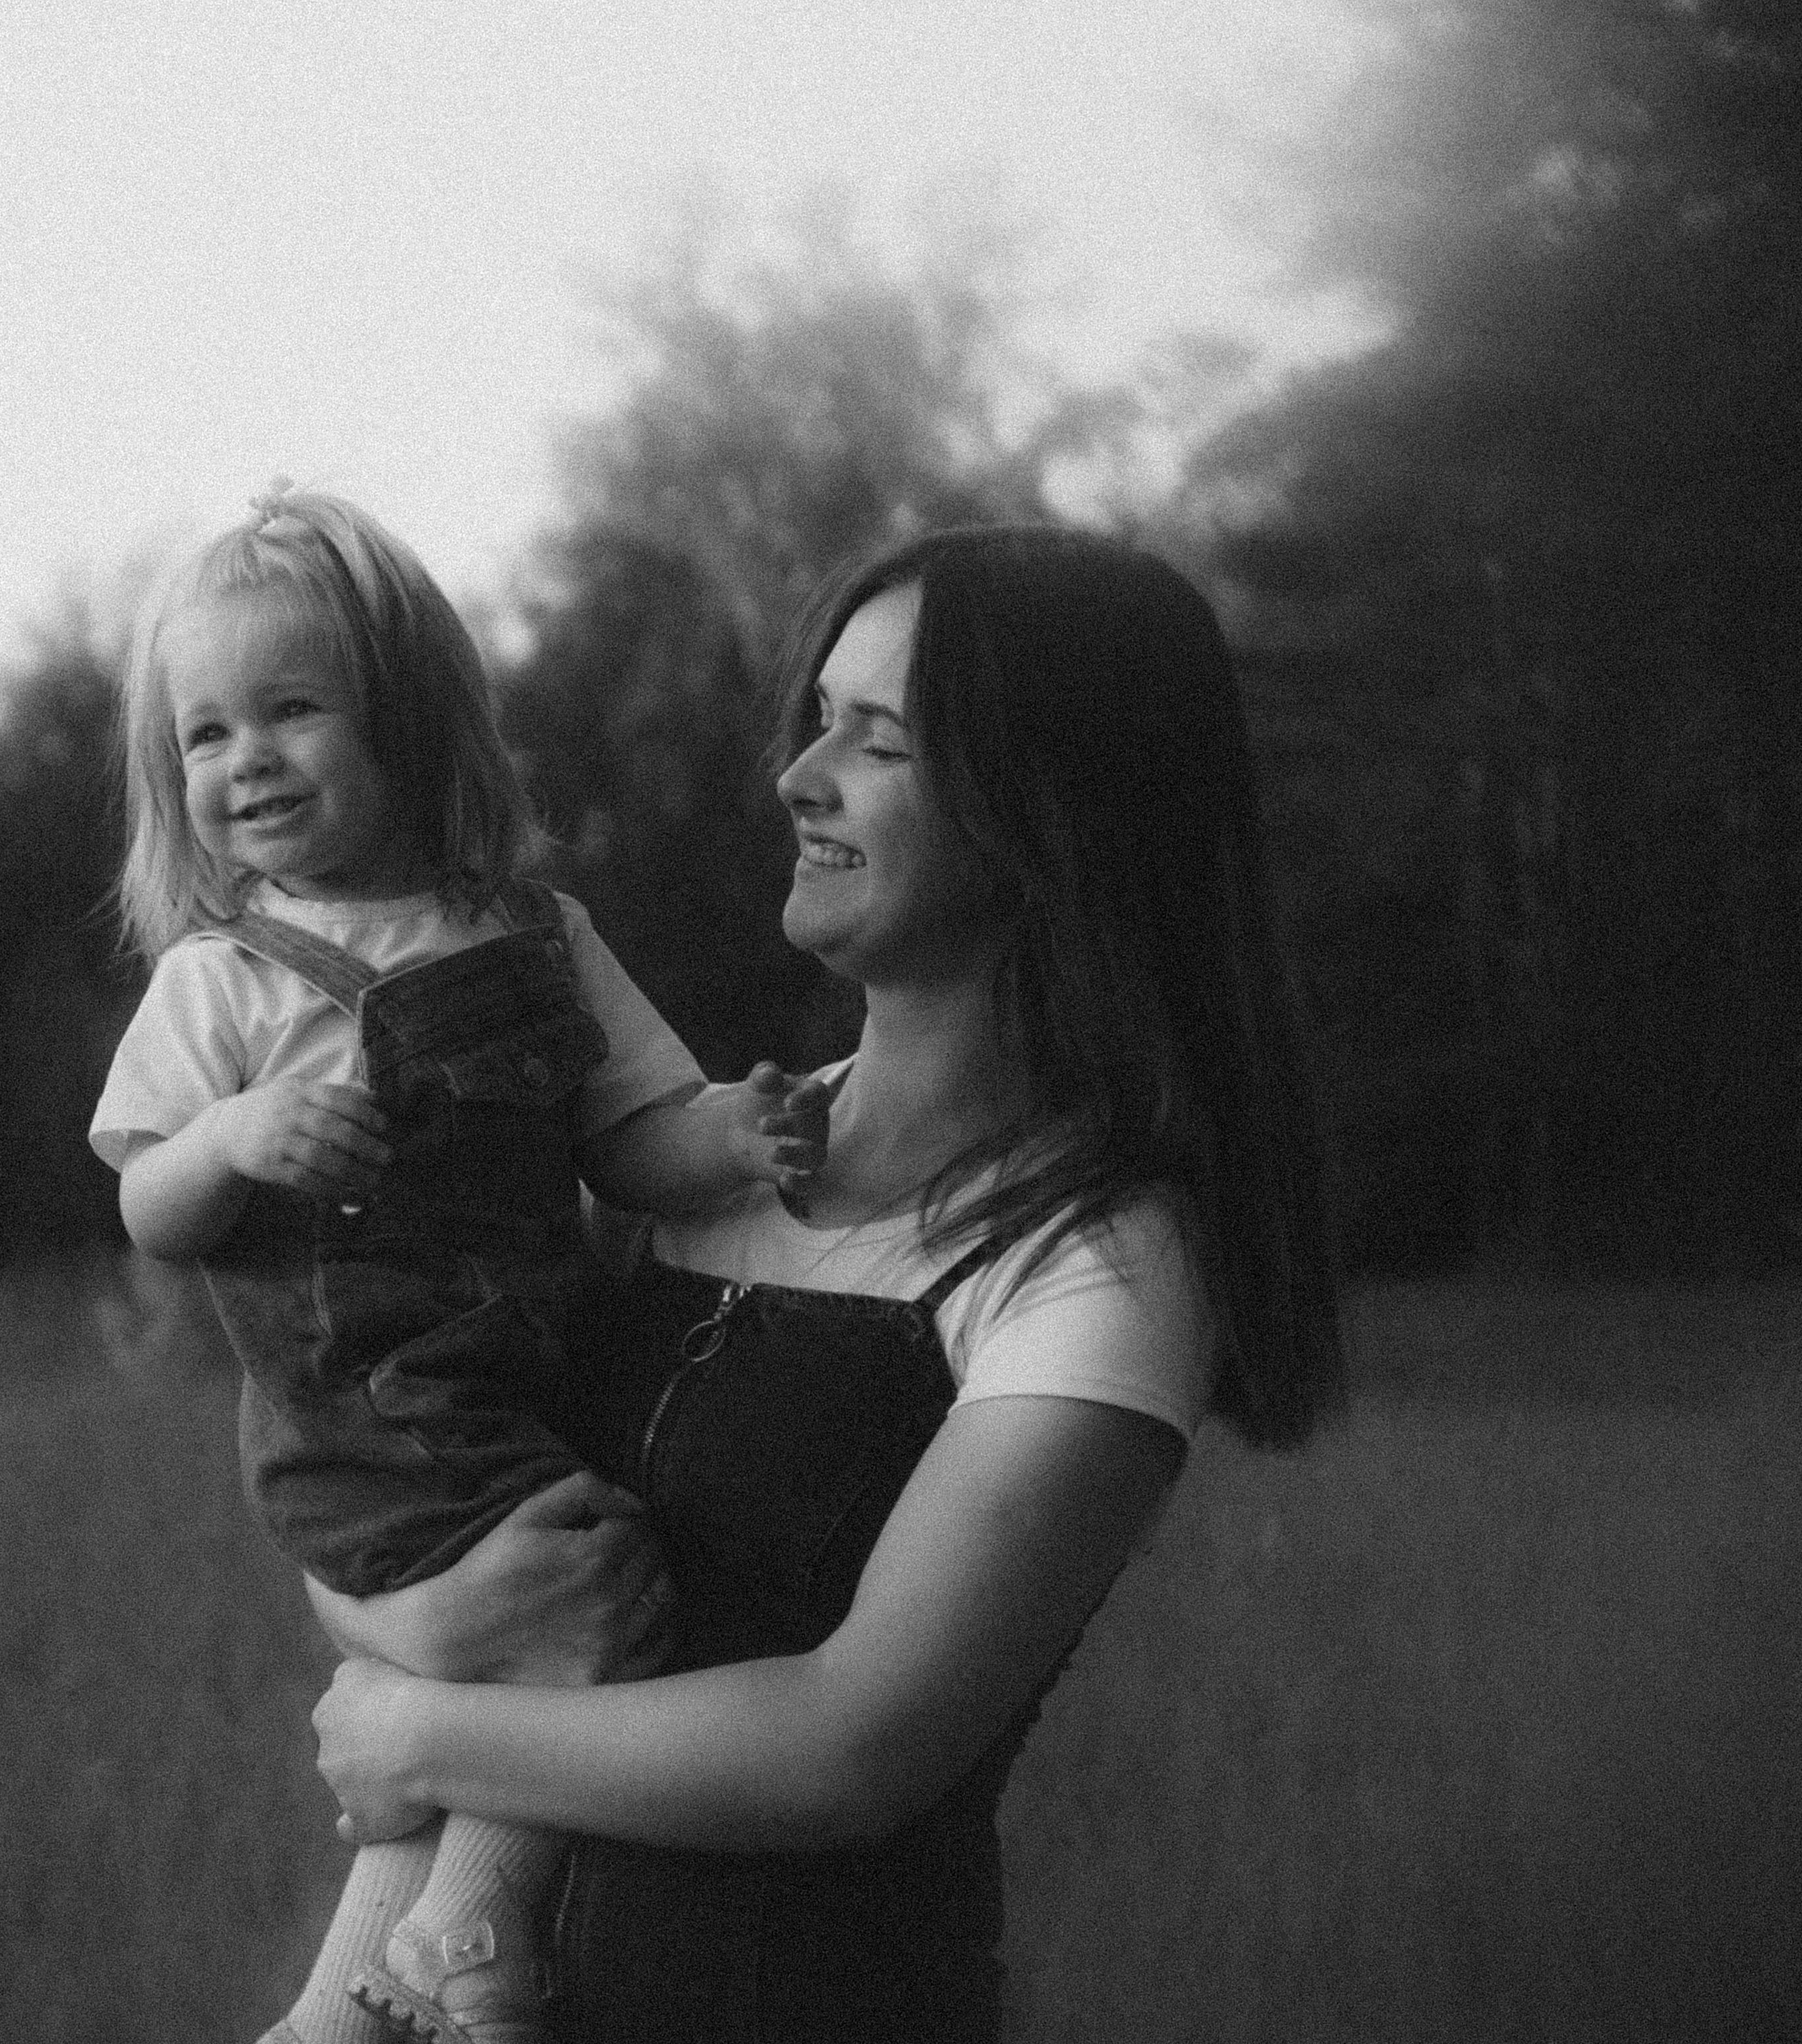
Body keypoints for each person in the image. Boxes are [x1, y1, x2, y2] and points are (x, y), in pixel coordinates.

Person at [303, 524, 1346, 2041]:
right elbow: (396, 1470)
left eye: (883, 743)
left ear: (1058, 815)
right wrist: (385, 1630)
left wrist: (420, 1730)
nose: (801, 777)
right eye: (818, 723)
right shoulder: (685, 1160)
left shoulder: (1097, 1261)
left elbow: (853, 1747)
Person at [90, 484, 829, 2044]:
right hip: (367, 1421)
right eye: (206, 736)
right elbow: (148, 1201)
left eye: (292, 712)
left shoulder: (539, 937)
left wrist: (739, 1141)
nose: (247, 761)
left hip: (516, 1393)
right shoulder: (221, 985)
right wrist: (229, 1145)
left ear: (414, 728)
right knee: (603, 1608)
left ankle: (342, 2012)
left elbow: (636, 1133)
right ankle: (475, 1931)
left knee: (495, 1698)